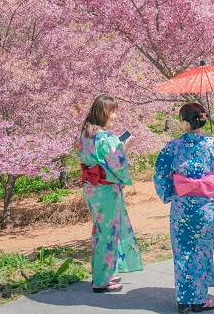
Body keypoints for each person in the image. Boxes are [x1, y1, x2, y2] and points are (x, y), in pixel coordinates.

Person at [153, 103, 214, 314]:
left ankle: (182, 301)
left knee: (182, 251)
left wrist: (169, 192)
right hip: (206, 206)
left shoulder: (172, 147)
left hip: (181, 207)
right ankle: (199, 300)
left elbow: (160, 175)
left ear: (185, 122)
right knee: (202, 250)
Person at [77, 94, 143, 292]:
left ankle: (106, 272)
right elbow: (116, 165)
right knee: (108, 232)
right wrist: (125, 149)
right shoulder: (106, 137)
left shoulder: (86, 135)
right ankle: (101, 280)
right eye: (112, 112)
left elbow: (100, 160)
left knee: (101, 229)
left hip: (91, 189)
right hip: (106, 190)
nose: (115, 116)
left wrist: (118, 151)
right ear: (103, 112)